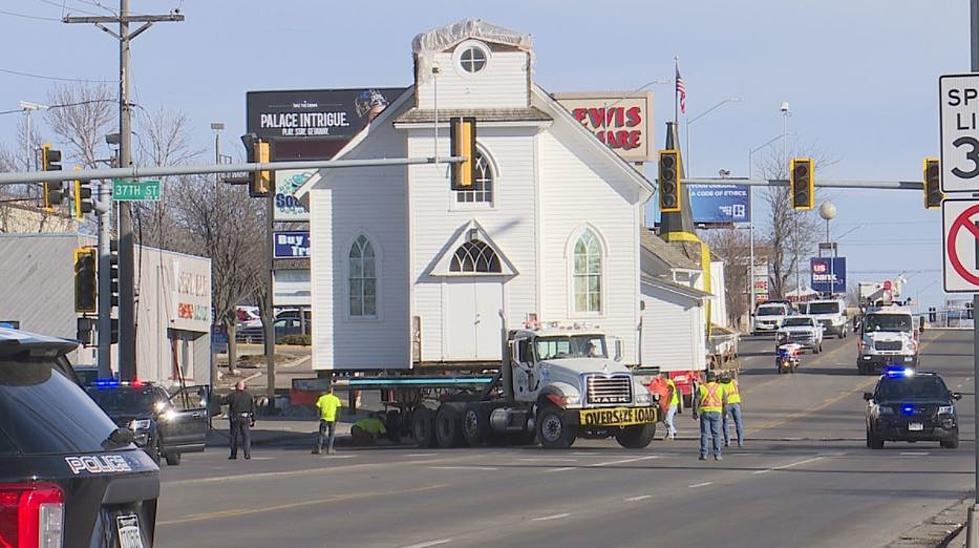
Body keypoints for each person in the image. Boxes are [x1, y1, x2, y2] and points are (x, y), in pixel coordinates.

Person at [693, 370, 727, 461]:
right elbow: (725, 401)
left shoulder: (702, 387)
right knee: (716, 434)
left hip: (705, 412)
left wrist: (695, 412)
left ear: (707, 379)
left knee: (704, 434)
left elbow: (696, 400)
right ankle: (717, 454)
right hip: (716, 412)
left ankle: (704, 454)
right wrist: (725, 412)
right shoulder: (720, 387)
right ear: (715, 379)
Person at [225, 381, 255, 460]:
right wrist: (253, 419)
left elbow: (224, 401)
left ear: (236, 387)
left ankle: (233, 454)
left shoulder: (232, 395)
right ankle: (247, 454)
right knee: (246, 436)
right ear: (244, 387)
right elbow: (253, 408)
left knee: (234, 436)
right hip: (245, 418)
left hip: (235, 418)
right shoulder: (249, 396)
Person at [314, 384, 343, 455]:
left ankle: (319, 449)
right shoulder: (336, 399)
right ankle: (329, 449)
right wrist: (337, 418)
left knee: (321, 434)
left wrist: (319, 416)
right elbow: (338, 410)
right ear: (332, 391)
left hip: (324, 418)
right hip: (332, 419)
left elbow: (318, 407)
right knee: (331, 435)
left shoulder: (322, 398)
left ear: (326, 391)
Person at [721, 373, 744, 448]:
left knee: (725, 422)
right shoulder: (734, 382)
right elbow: (739, 390)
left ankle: (727, 441)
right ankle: (740, 441)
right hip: (735, 404)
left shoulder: (721, 385)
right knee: (738, 423)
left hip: (726, 405)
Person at [663, 375, 680, 440]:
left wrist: (667, 404)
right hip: (672, 403)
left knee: (667, 419)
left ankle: (671, 434)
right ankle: (673, 431)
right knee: (667, 418)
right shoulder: (669, 382)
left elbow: (671, 393)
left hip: (671, 403)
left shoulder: (668, 383)